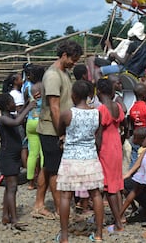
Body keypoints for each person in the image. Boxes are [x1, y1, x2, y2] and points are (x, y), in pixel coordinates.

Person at [32, 40, 83, 219]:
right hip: (51, 129)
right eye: (73, 59)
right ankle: (60, 208)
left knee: (48, 167)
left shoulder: (64, 73)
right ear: (64, 56)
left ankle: (39, 205)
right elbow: (54, 107)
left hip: (57, 127)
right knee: (55, 170)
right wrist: (61, 131)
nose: (74, 63)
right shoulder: (53, 75)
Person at [57, 80, 104, 243]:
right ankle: (98, 234)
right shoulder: (97, 113)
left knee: (65, 196)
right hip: (90, 157)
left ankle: (64, 236)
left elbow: (60, 131)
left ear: (74, 95)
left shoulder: (67, 114)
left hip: (71, 157)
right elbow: (99, 137)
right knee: (96, 194)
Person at [0, 93, 36, 230]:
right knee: (12, 187)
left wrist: (26, 103)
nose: (15, 104)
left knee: (9, 187)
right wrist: (28, 108)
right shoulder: (3, 119)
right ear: (7, 105)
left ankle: (6, 216)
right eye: (13, 102)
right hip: (7, 157)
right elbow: (17, 122)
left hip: (12, 156)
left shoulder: (11, 115)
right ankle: (14, 220)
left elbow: (19, 115)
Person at [96, 78, 125, 233]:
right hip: (117, 147)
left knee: (110, 188)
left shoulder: (102, 109)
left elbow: (99, 135)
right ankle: (120, 217)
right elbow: (125, 125)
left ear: (98, 91)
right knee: (116, 184)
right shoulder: (118, 107)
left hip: (106, 149)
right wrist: (122, 138)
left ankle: (118, 223)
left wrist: (96, 150)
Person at [25, 65, 45, 190]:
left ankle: (31, 183)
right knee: (43, 153)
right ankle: (44, 180)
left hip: (30, 121)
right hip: (42, 121)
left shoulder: (28, 89)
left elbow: (26, 103)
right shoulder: (44, 86)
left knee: (32, 153)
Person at [2, 72, 28, 168]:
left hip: (16, 122)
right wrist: (28, 106)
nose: (22, 80)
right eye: (20, 78)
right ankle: (25, 169)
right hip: (19, 123)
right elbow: (19, 111)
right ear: (15, 81)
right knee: (24, 147)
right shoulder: (16, 95)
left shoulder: (13, 93)